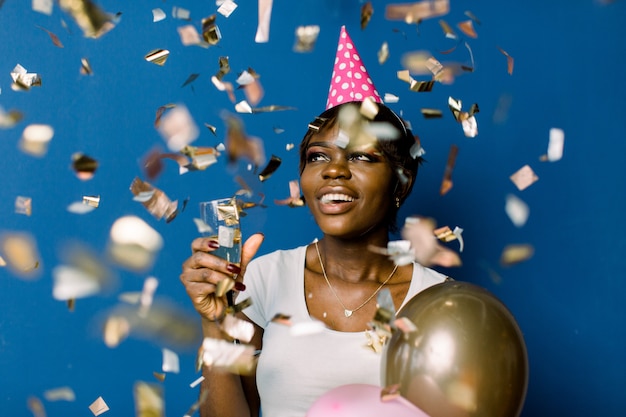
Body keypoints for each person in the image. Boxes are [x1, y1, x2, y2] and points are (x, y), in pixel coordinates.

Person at [179, 26, 448, 417]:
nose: (333, 170)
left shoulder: (440, 302)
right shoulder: (262, 280)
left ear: (400, 183)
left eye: (361, 157)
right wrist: (214, 325)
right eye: (318, 157)